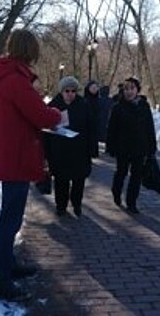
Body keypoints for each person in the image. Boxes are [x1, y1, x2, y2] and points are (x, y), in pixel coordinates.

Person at [0, 29, 62, 302]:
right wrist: (57, 114)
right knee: (10, 217)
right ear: (30, 52)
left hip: (6, 153)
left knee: (11, 214)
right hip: (14, 155)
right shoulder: (15, 79)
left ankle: (8, 264)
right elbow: (40, 115)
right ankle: (1, 279)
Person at [106, 77, 157, 214]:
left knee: (136, 176)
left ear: (137, 90)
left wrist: (152, 147)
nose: (129, 92)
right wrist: (110, 146)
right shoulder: (117, 107)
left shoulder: (144, 106)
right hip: (122, 147)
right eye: (126, 89)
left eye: (132, 89)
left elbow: (149, 127)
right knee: (121, 173)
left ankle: (131, 202)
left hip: (140, 147)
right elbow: (111, 129)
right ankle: (116, 192)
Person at [44, 76, 92, 217]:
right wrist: (46, 153)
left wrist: (90, 148)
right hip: (60, 150)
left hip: (79, 149)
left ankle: (77, 203)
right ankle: (61, 205)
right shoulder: (53, 105)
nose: (70, 94)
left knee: (79, 180)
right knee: (61, 181)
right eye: (67, 91)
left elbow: (91, 127)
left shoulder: (84, 105)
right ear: (62, 91)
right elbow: (45, 130)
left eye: (73, 91)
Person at [84, 79, 100, 158]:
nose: (94, 89)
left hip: (96, 122)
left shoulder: (98, 99)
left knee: (94, 138)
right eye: (92, 88)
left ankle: (94, 153)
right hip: (87, 122)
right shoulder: (86, 100)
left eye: (96, 88)